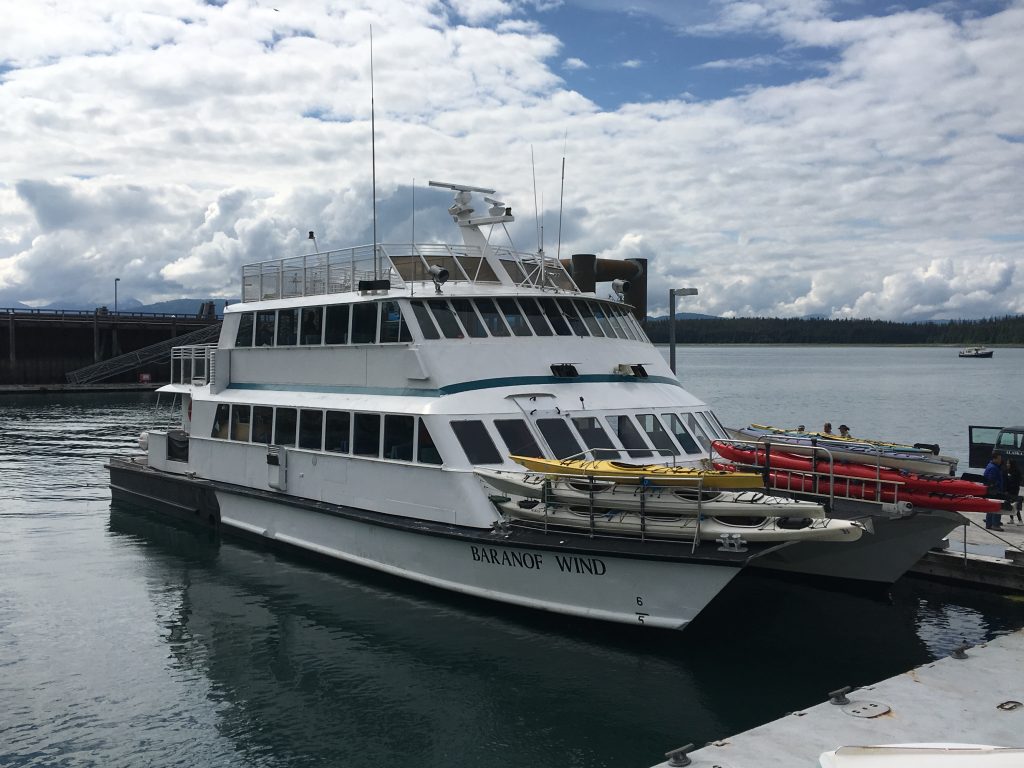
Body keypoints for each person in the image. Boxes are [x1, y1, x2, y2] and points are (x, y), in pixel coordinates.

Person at [983, 452, 1005, 530]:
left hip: (991, 490)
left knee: (990, 507)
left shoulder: (991, 466)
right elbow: (991, 480)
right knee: (996, 506)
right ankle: (995, 524)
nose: (1000, 460)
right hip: (994, 491)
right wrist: (997, 486)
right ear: (994, 459)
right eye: (999, 459)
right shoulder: (993, 468)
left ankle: (989, 524)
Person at [1006, 457, 1022, 524]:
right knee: (1010, 504)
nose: (1007, 464)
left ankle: (1020, 520)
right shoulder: (1009, 471)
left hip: (1014, 490)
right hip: (1010, 490)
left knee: (1014, 504)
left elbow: (1014, 482)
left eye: (1008, 463)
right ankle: (1011, 519)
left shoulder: (1016, 472)